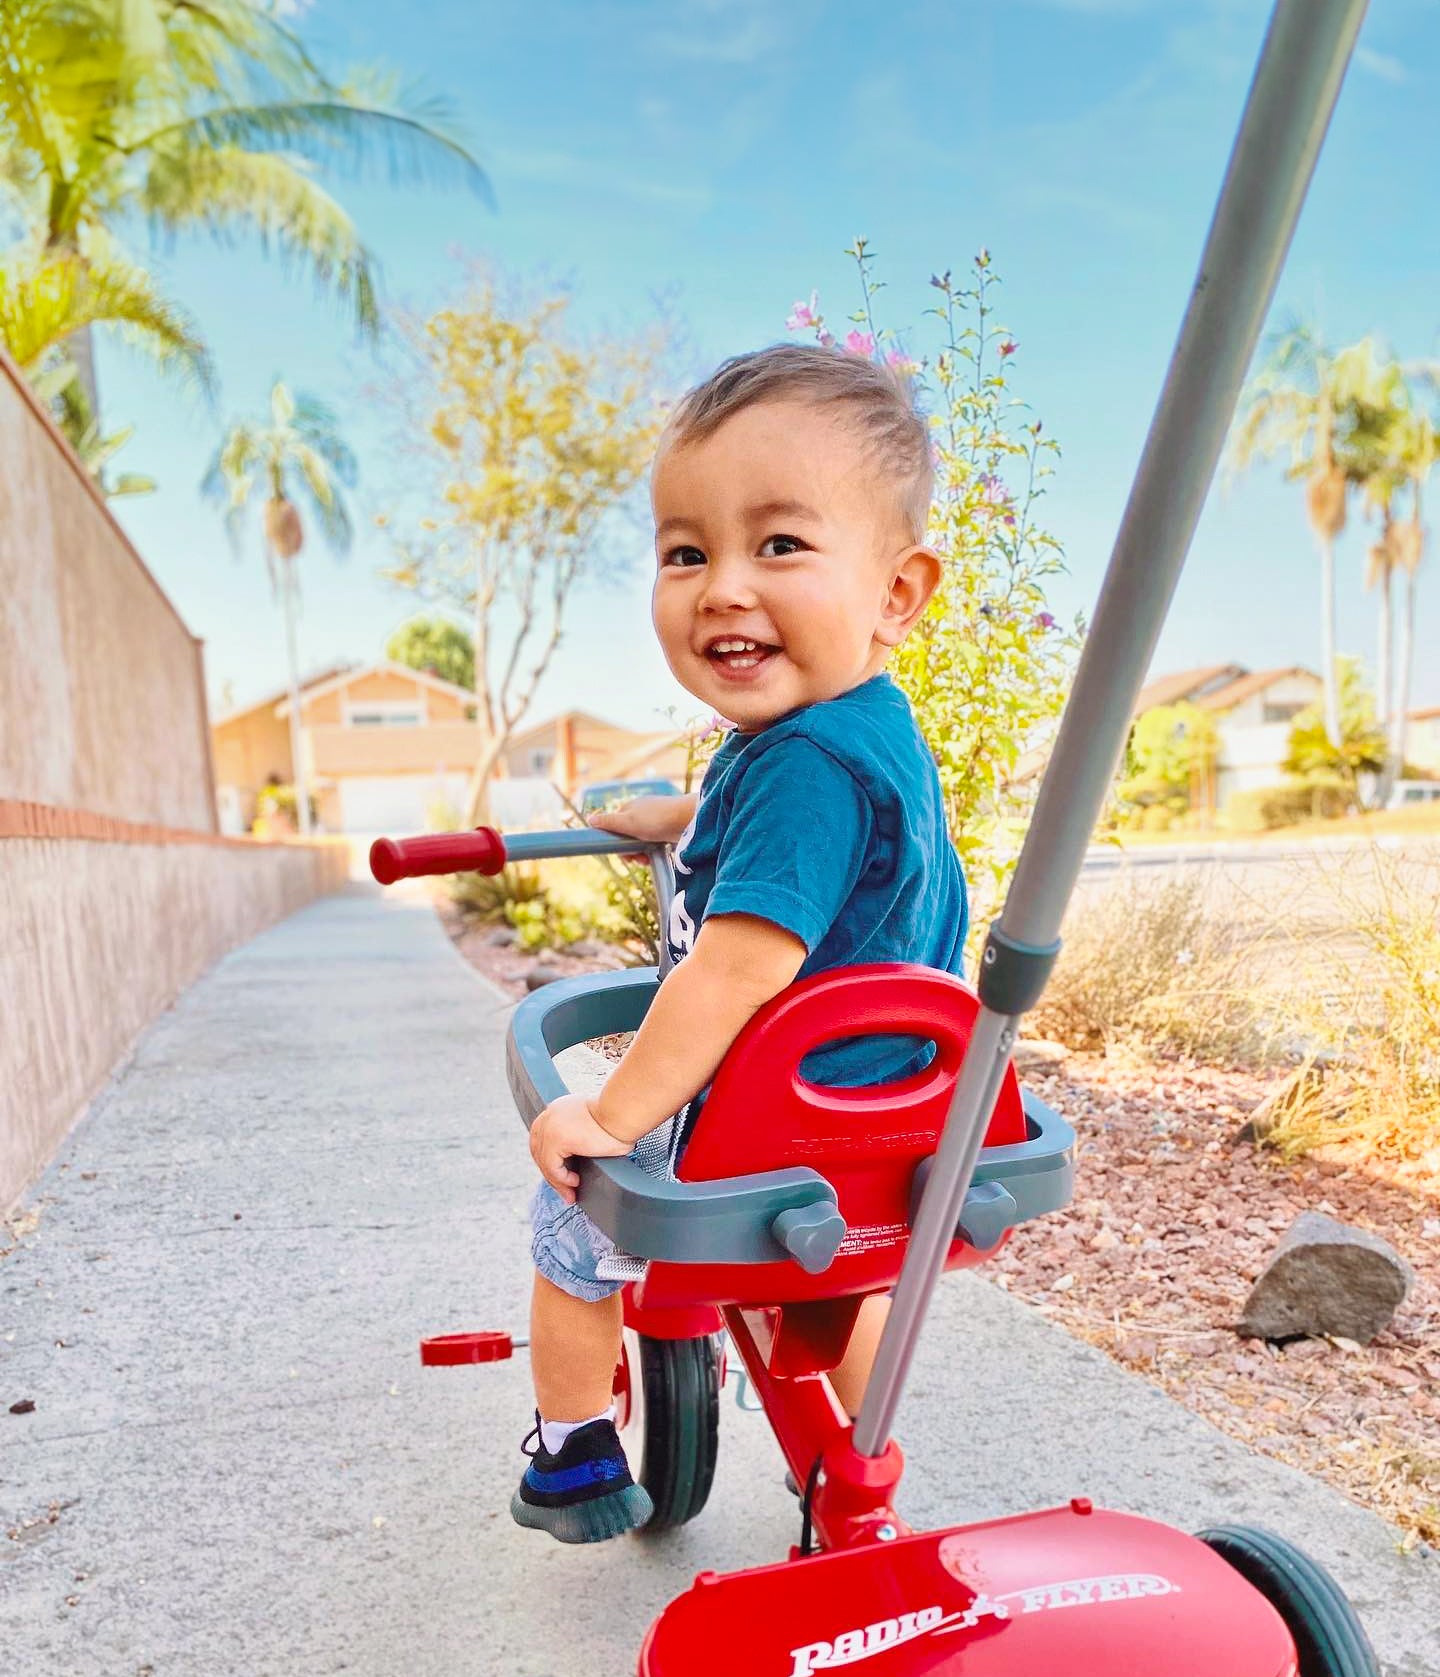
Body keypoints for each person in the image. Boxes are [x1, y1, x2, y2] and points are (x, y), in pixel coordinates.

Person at [512, 343, 968, 1543]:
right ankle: (866, 1474)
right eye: (685, 551)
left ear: (898, 592)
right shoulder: (859, 726)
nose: (721, 585)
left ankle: (569, 1455)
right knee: (851, 1276)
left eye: (779, 544)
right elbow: (821, 856)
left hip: (766, 1118)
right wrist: (687, 815)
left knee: (571, 1210)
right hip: (892, 1114)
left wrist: (604, 1126)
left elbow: (739, 965)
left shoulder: (799, 770)